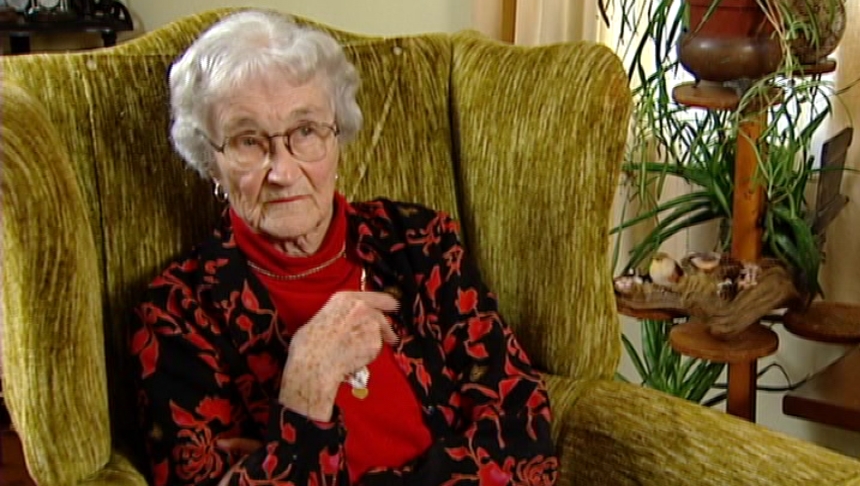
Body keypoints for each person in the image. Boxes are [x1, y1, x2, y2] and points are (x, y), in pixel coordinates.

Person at [129, 9, 558, 486]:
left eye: (305, 131)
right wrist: (304, 389)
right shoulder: (178, 313)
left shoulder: (420, 243)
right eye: (248, 141)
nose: (283, 172)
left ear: (338, 137)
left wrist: (277, 457)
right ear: (211, 162)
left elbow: (523, 428)